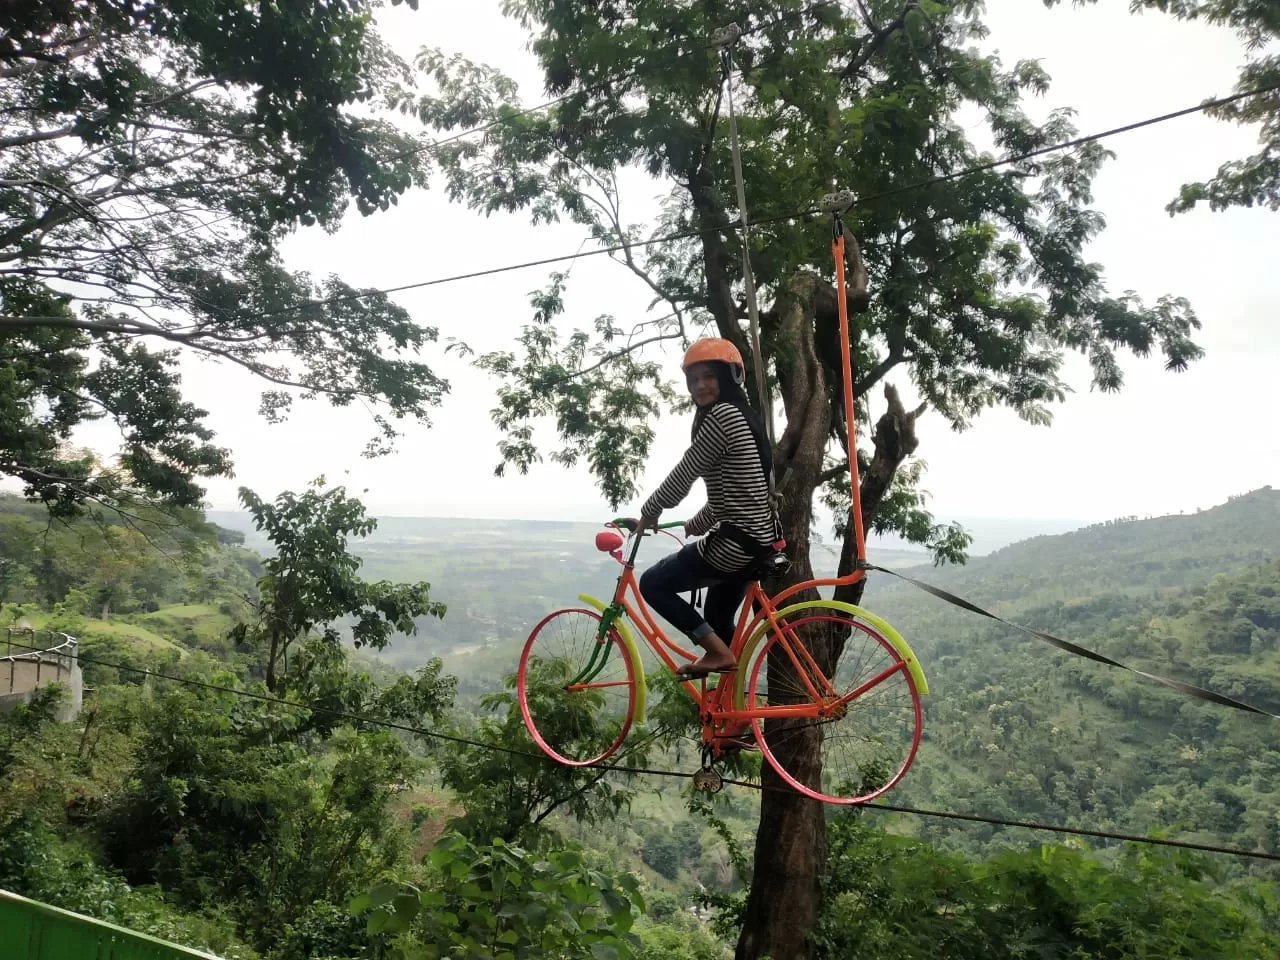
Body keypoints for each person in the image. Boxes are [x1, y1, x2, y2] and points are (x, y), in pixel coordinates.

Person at [631, 337, 783, 680]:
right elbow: (733, 490)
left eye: (709, 376)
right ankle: (734, 715)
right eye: (693, 379)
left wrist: (650, 510)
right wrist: (697, 522)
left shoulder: (722, 416)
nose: (700, 385)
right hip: (759, 543)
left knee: (653, 584)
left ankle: (715, 653)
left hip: (735, 545)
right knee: (717, 621)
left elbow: (687, 471)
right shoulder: (744, 416)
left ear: (731, 376)